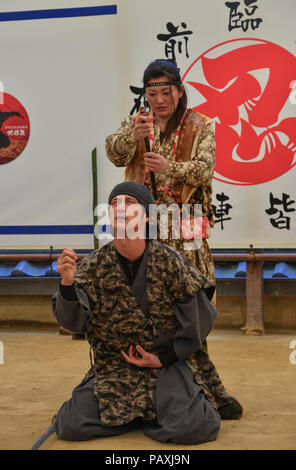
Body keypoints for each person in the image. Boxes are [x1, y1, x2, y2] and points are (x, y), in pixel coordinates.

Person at [105, 59, 242, 419]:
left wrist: (171, 169)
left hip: (187, 225)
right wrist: (128, 138)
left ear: (180, 90)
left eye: (166, 92)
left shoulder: (201, 125)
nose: (160, 100)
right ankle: (150, 395)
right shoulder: (137, 123)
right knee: (145, 314)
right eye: (152, 93)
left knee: (193, 312)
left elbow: (205, 169)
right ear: (145, 94)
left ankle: (206, 389)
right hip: (145, 230)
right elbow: (113, 152)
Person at [49, 182, 221, 445]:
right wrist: (68, 284)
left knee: (193, 428)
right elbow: (74, 322)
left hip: (165, 365)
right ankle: (142, 413)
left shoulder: (170, 262)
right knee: (70, 425)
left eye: (130, 202)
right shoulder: (93, 265)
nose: (120, 207)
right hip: (115, 367)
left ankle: (141, 412)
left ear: (147, 215)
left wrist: (163, 357)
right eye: (115, 203)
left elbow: (199, 319)